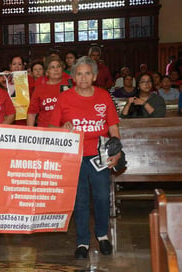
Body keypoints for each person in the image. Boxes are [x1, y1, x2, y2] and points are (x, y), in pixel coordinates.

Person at [49, 56, 121, 260]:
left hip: (100, 156)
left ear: (95, 76)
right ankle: (82, 241)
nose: (83, 77)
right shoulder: (65, 98)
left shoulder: (104, 96)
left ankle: (102, 235)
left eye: (87, 73)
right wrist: (63, 128)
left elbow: (113, 127)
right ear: (73, 77)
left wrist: (117, 150)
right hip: (74, 157)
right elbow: (52, 128)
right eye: (79, 73)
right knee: (79, 200)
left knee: (101, 197)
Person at [27, 56, 71, 127]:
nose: (56, 69)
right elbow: (32, 113)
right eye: (52, 67)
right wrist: (30, 133)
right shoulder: (39, 89)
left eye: (58, 66)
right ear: (47, 72)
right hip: (45, 131)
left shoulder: (70, 85)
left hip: (66, 129)